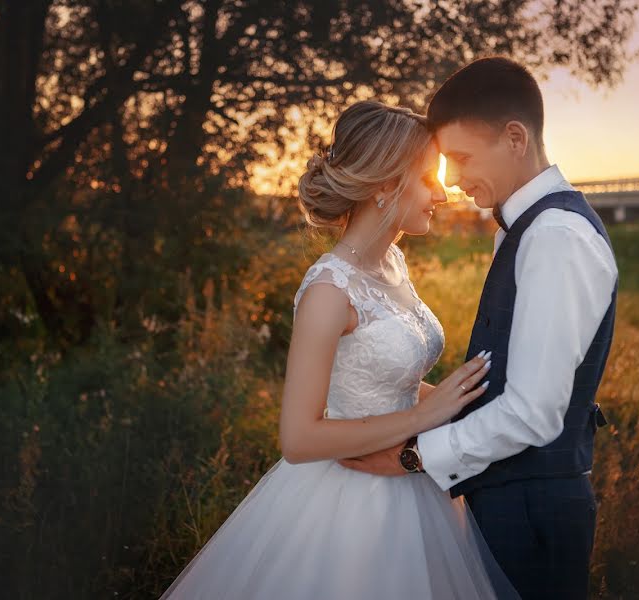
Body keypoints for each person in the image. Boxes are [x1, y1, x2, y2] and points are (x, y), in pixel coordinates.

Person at [157, 100, 519, 600]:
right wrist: (426, 414)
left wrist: (469, 398)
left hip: (415, 480)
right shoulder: (330, 290)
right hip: (349, 500)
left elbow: (386, 381)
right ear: (385, 184)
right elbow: (299, 438)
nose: (442, 191)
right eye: (427, 177)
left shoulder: (392, 262)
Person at [339, 58, 619, 600]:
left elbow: (533, 413)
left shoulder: (556, 237)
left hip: (533, 510)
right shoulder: (525, 230)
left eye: (461, 158)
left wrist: (413, 456)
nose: (454, 181)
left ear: (515, 137)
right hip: (506, 499)